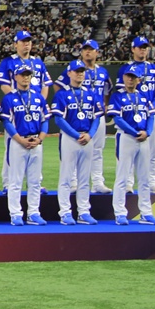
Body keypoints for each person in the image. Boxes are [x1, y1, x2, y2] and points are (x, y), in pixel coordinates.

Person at [0, 30, 52, 190]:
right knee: (11, 145)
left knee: (36, 147)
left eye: (28, 41)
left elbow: (45, 85)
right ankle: (8, 182)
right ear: (16, 44)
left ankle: (36, 182)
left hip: (34, 108)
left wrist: (38, 102)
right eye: (22, 41)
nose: (26, 44)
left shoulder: (38, 62)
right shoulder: (8, 61)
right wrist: (15, 102)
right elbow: (4, 84)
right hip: (16, 109)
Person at [51, 60, 101, 225]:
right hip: (70, 137)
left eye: (82, 71)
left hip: (87, 138)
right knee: (66, 177)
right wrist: (75, 134)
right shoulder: (62, 94)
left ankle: (84, 211)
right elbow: (58, 119)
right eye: (76, 71)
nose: (80, 74)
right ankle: (65, 212)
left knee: (84, 177)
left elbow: (96, 118)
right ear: (69, 73)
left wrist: (91, 134)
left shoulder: (91, 94)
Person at [57, 39, 111, 194]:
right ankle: (73, 182)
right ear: (81, 52)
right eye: (85, 49)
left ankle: (98, 182)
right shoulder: (74, 68)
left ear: (97, 52)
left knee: (97, 149)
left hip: (95, 114)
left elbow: (108, 90)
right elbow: (59, 85)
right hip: (77, 114)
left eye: (91, 49)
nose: (87, 52)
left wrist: (104, 105)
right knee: (72, 149)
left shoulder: (102, 72)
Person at [116, 36, 155, 198]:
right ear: (133, 49)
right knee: (128, 150)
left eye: (145, 47)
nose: (143, 49)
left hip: (149, 113)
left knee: (152, 149)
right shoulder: (125, 68)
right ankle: (128, 182)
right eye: (140, 47)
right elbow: (119, 90)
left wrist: (153, 104)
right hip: (131, 111)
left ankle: (152, 181)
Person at [0, 65, 50, 226]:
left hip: (35, 141)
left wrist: (40, 139)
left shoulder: (38, 97)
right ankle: (15, 213)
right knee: (15, 180)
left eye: (28, 75)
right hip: (18, 142)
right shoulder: (9, 98)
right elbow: (7, 122)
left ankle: (33, 212)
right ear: (15, 77)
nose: (25, 78)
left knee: (35, 181)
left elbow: (45, 120)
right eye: (22, 75)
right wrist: (20, 140)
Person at [109, 65, 155, 226]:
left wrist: (148, 132)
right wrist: (134, 132)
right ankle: (120, 213)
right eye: (128, 76)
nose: (130, 79)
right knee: (122, 176)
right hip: (126, 137)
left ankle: (146, 212)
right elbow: (117, 119)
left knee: (144, 177)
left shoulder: (144, 96)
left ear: (139, 80)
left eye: (133, 77)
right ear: (123, 78)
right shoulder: (117, 96)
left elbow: (151, 116)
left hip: (143, 138)